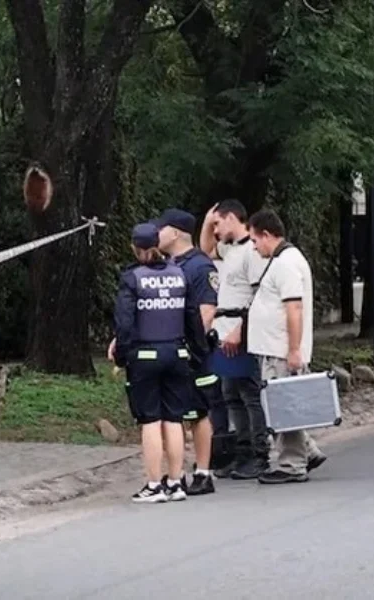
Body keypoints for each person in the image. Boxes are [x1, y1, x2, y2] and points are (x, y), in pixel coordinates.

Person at [112, 222, 210, 503]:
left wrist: (121, 355)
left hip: (145, 356)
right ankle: (176, 482)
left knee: (151, 420)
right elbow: (192, 317)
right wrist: (198, 352)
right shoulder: (179, 274)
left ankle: (154, 485)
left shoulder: (133, 277)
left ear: (134, 247)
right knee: (174, 419)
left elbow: (125, 322)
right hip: (177, 354)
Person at [245, 209, 327, 484]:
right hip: (275, 348)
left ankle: (292, 464)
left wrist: (293, 349)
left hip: (280, 350)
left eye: (254, 240)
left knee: (283, 406)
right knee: (282, 404)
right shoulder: (282, 260)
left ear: (266, 235)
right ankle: (308, 451)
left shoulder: (286, 264)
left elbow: (294, 308)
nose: (254, 247)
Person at [152, 208, 223, 496]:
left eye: (161, 229)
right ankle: (176, 473)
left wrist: (189, 344)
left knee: (198, 413)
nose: (157, 234)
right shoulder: (165, 265)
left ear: (176, 233)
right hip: (171, 351)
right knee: (173, 414)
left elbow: (207, 312)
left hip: (193, 354)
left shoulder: (200, 267)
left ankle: (204, 472)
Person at [199, 200, 272, 480]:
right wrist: (207, 221)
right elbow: (205, 249)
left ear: (232, 218)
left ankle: (258, 452)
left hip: (240, 331)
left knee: (249, 394)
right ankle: (241, 451)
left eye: (218, 224)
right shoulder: (229, 249)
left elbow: (258, 296)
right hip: (224, 329)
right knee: (231, 395)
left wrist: (241, 330)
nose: (216, 231)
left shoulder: (250, 252)